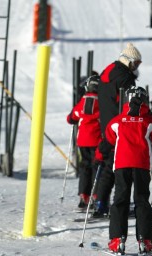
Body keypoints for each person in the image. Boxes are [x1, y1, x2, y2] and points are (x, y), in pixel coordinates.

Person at [95, 87, 152, 254]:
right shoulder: (149, 121)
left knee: (120, 199)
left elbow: (107, 142)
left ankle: (116, 240)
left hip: (121, 164)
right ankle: (145, 241)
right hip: (142, 165)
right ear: (145, 100)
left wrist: (100, 155)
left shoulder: (117, 120)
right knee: (141, 200)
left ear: (126, 100)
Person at [92, 42, 142, 217]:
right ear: (128, 61)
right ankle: (118, 204)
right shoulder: (125, 78)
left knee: (108, 164)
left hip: (107, 124)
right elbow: (129, 103)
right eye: (136, 64)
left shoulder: (108, 70)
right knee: (121, 168)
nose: (136, 68)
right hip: (121, 125)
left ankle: (100, 201)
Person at [66, 74, 102, 212]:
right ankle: (95, 194)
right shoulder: (101, 102)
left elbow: (71, 118)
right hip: (96, 140)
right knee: (96, 166)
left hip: (83, 141)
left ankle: (83, 195)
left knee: (84, 167)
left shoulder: (83, 101)